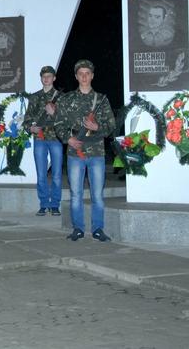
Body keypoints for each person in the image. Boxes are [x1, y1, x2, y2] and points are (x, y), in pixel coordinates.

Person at [56, 60, 115, 242]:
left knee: (97, 194)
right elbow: (59, 124)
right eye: (80, 73)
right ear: (76, 76)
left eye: (87, 73)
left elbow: (111, 125)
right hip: (75, 152)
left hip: (96, 152)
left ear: (92, 76)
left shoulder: (102, 99)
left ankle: (98, 229)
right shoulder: (66, 99)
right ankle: (78, 229)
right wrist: (69, 139)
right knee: (76, 194)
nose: (84, 76)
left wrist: (97, 126)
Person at [22, 66, 63, 217]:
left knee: (57, 174)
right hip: (39, 138)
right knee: (41, 174)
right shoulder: (35, 97)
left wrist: (55, 113)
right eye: (44, 76)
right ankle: (44, 204)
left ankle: (55, 205)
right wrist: (29, 128)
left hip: (56, 138)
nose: (46, 79)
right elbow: (27, 118)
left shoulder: (60, 96)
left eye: (49, 76)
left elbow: (65, 119)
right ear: (41, 78)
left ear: (54, 78)